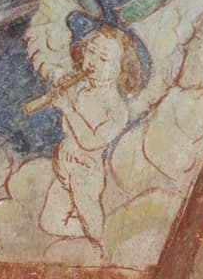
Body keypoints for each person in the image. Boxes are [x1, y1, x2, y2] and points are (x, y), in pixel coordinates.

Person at [40, 25, 143, 251]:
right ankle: (86, 238)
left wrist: (68, 109)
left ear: (121, 70)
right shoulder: (80, 89)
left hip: (85, 172)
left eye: (104, 58)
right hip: (63, 167)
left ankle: (101, 244)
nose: (94, 61)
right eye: (91, 51)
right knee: (49, 222)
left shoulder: (116, 109)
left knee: (91, 219)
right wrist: (61, 90)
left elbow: (90, 141)